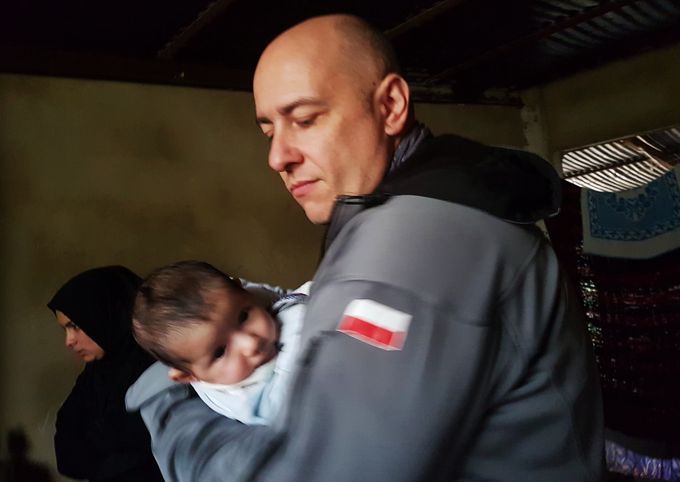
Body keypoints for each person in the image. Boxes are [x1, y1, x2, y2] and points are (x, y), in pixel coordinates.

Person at [126, 14, 604, 481]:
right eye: (269, 132)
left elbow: (323, 470)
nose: (277, 157)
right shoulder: (422, 210)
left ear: (390, 106)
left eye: (305, 120)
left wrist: (170, 411)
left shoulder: (415, 246)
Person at [130, 260, 308, 424]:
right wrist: (298, 327)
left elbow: (277, 296)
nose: (250, 343)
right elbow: (284, 409)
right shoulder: (241, 397)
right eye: (220, 352)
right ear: (189, 376)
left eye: (243, 317)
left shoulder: (232, 302)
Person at [48, 266, 164, 482]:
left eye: (75, 326)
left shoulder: (165, 368)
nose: (69, 341)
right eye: (65, 329)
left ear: (105, 314)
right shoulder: (94, 377)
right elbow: (67, 455)